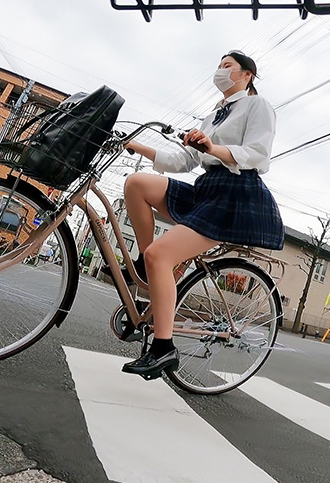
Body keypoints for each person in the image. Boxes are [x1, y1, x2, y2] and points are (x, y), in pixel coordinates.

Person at [120, 50, 285, 379]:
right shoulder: (214, 115)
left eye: (228, 66)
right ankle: (145, 263)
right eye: (219, 66)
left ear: (246, 75)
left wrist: (213, 148)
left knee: (161, 256)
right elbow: (182, 162)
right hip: (205, 187)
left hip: (234, 192)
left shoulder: (257, 106)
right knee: (137, 183)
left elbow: (258, 155)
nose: (221, 71)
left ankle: (163, 348)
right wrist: (139, 146)